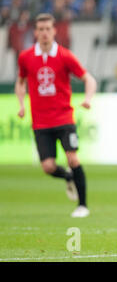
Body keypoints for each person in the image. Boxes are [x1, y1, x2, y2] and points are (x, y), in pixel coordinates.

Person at [15, 13, 97, 218]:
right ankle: (68, 178)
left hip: (63, 118)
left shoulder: (64, 56)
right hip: (41, 121)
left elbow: (89, 79)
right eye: (40, 29)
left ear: (54, 31)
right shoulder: (25, 57)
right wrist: (21, 104)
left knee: (73, 158)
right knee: (48, 166)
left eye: (47, 29)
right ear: (35, 32)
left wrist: (88, 98)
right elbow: (21, 81)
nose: (44, 33)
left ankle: (83, 206)